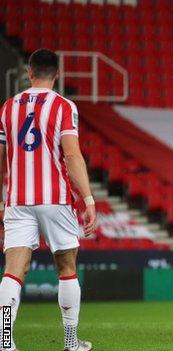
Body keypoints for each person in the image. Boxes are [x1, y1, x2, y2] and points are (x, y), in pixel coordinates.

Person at [0, 49, 97, 351]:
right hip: (55, 198)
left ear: (29, 73)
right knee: (66, 268)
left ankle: (4, 341)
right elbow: (71, 155)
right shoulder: (64, 107)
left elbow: (0, 158)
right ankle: (70, 342)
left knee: (13, 270)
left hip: (17, 199)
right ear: (57, 74)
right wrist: (89, 199)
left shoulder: (7, 108)